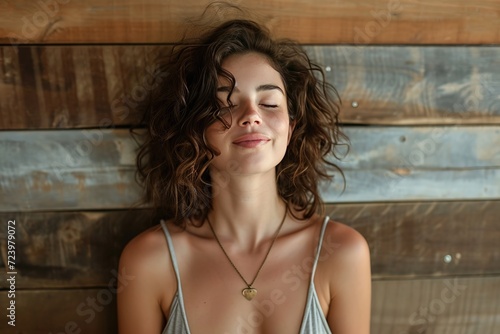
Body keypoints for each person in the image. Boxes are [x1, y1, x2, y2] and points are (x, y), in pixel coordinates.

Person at [117, 14, 371, 334]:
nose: (251, 116)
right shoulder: (148, 261)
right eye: (225, 104)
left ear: (290, 128)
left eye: (269, 103)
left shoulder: (342, 252)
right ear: (196, 129)